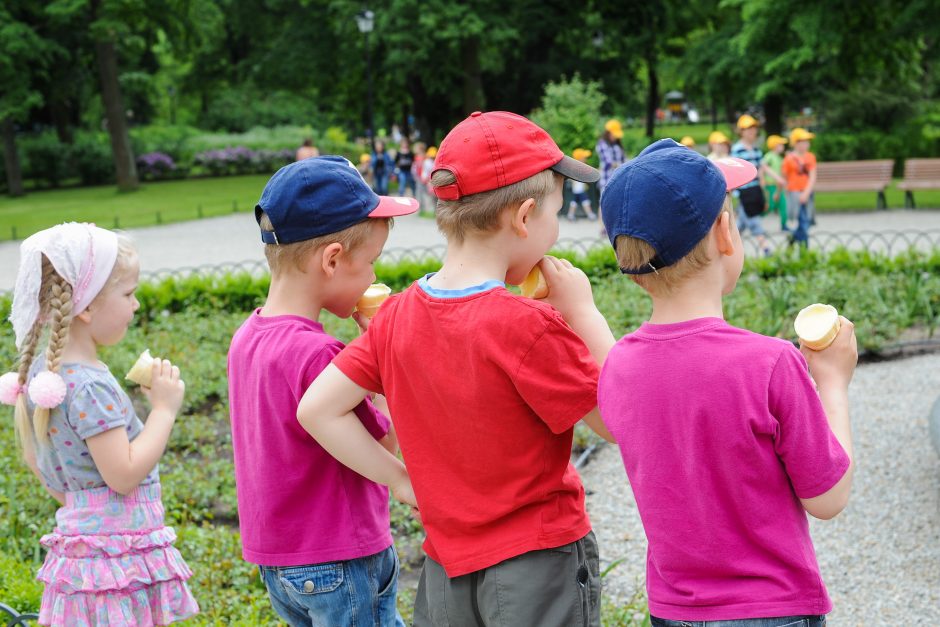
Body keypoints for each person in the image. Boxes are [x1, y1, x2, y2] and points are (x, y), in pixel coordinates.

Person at [296, 111, 617, 626]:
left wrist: (401, 482)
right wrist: (583, 313)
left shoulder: (397, 314)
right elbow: (616, 422)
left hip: (446, 569)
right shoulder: (529, 324)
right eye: (555, 213)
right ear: (525, 216)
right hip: (538, 565)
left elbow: (317, 409)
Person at [598, 139, 857, 626]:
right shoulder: (771, 363)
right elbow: (828, 497)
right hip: (771, 610)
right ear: (724, 233)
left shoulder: (619, 365)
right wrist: (833, 383)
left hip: (673, 611)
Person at [227, 156, 418, 626]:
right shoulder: (319, 354)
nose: (373, 278)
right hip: (342, 554)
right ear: (332, 260)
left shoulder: (247, 337)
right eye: (371, 263)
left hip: (281, 562)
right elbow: (387, 438)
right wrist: (380, 350)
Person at [0, 222, 199, 625]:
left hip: (83, 557)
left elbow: (56, 482)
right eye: (128, 294)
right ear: (86, 307)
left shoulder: (45, 375)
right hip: (117, 563)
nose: (137, 305)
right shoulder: (90, 387)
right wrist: (163, 409)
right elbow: (123, 475)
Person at [731, 114, 784, 257]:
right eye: (748, 129)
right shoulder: (737, 149)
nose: (752, 132)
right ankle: (766, 248)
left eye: (754, 128)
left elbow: (762, 169)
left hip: (754, 190)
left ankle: (729, 249)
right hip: (745, 191)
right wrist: (736, 192)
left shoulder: (756, 150)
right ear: (741, 131)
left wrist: (774, 180)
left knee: (741, 222)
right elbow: (735, 171)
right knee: (753, 220)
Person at [782, 128, 818, 246]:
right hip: (794, 193)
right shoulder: (788, 159)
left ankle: (792, 241)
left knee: (806, 220)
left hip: (806, 192)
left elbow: (812, 176)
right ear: (796, 143)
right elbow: (785, 177)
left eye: (807, 141)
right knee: (800, 220)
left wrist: (806, 193)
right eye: (803, 141)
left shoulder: (810, 157)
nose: (807, 144)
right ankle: (803, 249)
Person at [763, 134, 789, 231]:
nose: (783, 147)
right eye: (780, 144)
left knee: (783, 205)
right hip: (770, 186)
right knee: (770, 206)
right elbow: (764, 167)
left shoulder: (780, 158)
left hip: (778, 187)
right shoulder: (769, 156)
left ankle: (784, 225)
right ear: (775, 146)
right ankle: (755, 220)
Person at [595, 119, 626, 198]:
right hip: (606, 179)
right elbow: (608, 162)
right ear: (608, 133)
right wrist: (623, 165)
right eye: (614, 134)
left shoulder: (617, 144)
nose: (615, 137)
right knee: (604, 206)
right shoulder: (602, 143)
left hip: (619, 178)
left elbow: (624, 159)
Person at [567, 148, 598, 221]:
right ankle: (590, 215)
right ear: (579, 158)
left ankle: (570, 215)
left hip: (578, 188)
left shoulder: (579, 165)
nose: (585, 159)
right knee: (585, 201)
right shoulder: (578, 166)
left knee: (574, 202)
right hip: (579, 188)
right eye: (584, 157)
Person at [419, 146, 437, 215]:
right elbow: (425, 171)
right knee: (430, 195)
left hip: (435, 180)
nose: (432, 157)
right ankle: (431, 209)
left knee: (435, 196)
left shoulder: (436, 161)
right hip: (429, 181)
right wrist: (424, 178)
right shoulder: (427, 162)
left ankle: (435, 210)